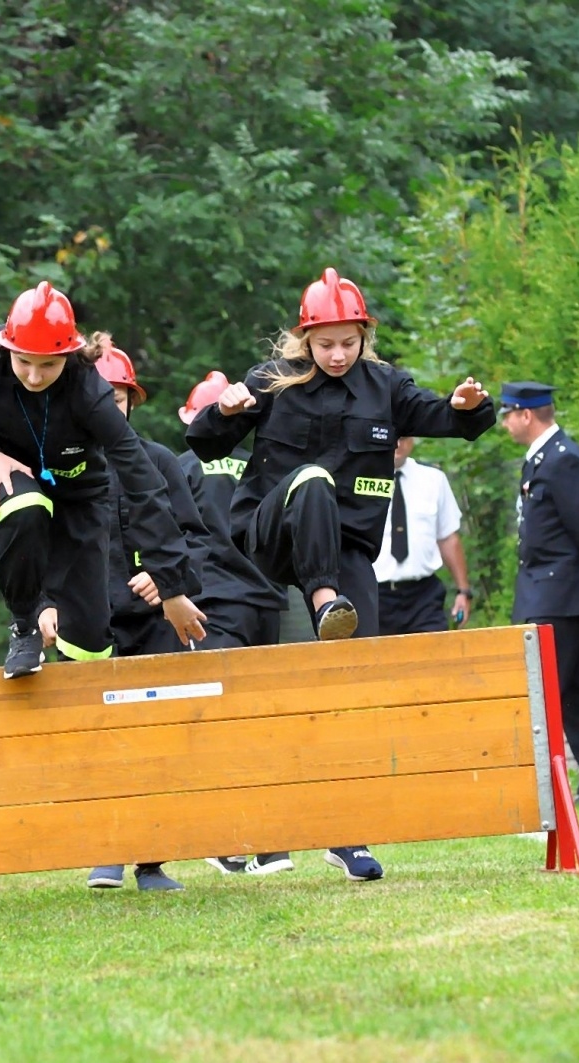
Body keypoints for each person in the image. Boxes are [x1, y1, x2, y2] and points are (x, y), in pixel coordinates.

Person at [186, 267, 495, 881]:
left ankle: (347, 835)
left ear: (364, 336)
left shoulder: (387, 387)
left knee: (354, 686)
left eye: (348, 343)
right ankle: (325, 598)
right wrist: (224, 410)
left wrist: (468, 407)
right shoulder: (271, 381)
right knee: (312, 480)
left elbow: (446, 419)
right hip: (273, 538)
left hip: (348, 548)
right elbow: (203, 443)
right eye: (325, 344)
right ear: (305, 338)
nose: (336, 354)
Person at [0, 281, 205, 677]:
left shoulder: (89, 390)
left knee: (91, 643)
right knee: (25, 504)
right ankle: (23, 626)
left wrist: (171, 585)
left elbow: (143, 479)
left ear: (68, 355)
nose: (34, 377)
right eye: (24, 362)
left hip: (79, 493)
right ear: (7, 347)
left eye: (48, 366)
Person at [81, 339, 206, 893]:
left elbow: (195, 539)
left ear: (132, 401)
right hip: (92, 627)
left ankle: (151, 861)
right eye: (98, 397)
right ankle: (106, 852)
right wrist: (47, 605)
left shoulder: (159, 462)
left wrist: (167, 579)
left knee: (156, 738)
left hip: (156, 625)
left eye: (117, 397)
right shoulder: (64, 466)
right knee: (101, 740)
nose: (109, 407)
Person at [176, 369, 294, 877]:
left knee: (217, 725)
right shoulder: (261, 466)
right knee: (260, 722)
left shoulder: (179, 467)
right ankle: (270, 844)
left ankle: (229, 840)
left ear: (189, 417)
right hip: (266, 602)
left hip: (210, 606)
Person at [499, 381, 579, 803]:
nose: (505, 422)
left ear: (526, 415)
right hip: (547, 591)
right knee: (574, 690)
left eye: (508, 414)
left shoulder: (562, 459)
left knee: (548, 690)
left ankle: (551, 782)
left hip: (558, 592)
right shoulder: (543, 458)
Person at [372, 436, 474, 635]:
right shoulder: (357, 480)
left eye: (403, 437)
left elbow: (448, 538)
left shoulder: (433, 479)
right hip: (375, 597)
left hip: (423, 597)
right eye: (392, 438)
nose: (397, 444)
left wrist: (463, 591)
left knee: (434, 653)